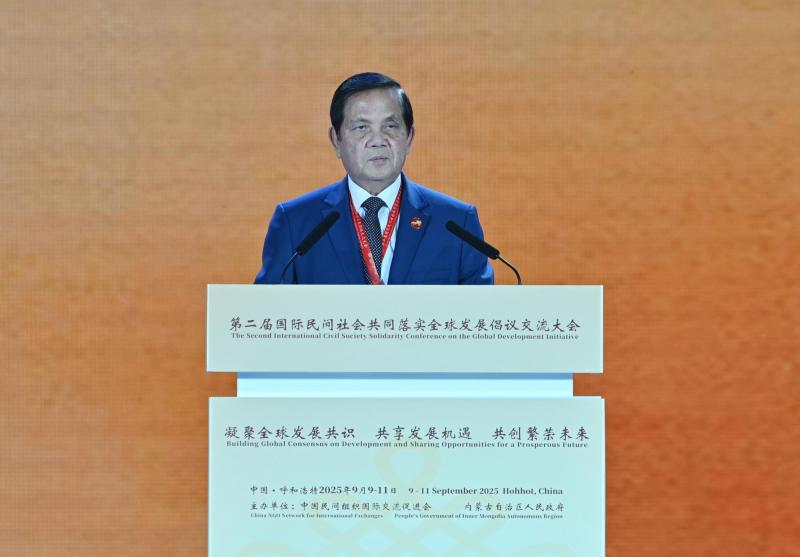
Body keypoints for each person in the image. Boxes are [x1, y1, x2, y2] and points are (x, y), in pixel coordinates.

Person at [254, 72, 494, 285]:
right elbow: (266, 311)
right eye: (361, 128)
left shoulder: (457, 222)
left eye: (390, 126)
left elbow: (482, 311)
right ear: (336, 140)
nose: (378, 140)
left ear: (409, 137)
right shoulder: (295, 222)